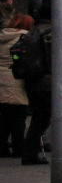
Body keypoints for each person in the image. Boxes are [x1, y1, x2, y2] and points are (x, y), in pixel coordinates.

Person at [20, 0, 53, 164]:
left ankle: (30, 150)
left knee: (39, 117)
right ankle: (30, 151)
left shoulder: (33, 31)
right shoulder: (52, 32)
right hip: (47, 81)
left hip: (32, 80)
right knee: (42, 118)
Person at [0, 13, 33, 158]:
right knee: (19, 116)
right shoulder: (25, 38)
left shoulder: (2, 35)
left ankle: (2, 147)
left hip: (1, 79)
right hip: (17, 80)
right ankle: (18, 147)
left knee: (4, 117)